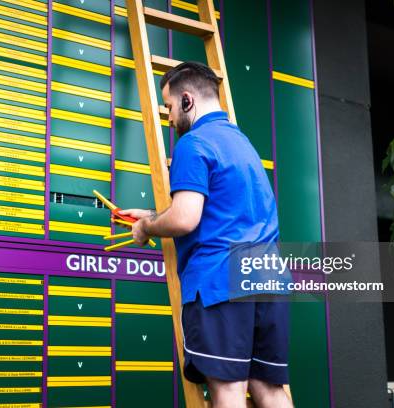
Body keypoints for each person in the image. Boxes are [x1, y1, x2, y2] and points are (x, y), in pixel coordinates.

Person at [118, 61, 293, 408]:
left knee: (228, 391)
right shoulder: (242, 144)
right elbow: (222, 212)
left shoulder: (193, 143)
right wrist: (154, 214)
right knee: (268, 390)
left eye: (168, 107)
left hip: (219, 281)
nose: (168, 118)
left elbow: (185, 218)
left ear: (186, 101)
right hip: (268, 279)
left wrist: (146, 227)